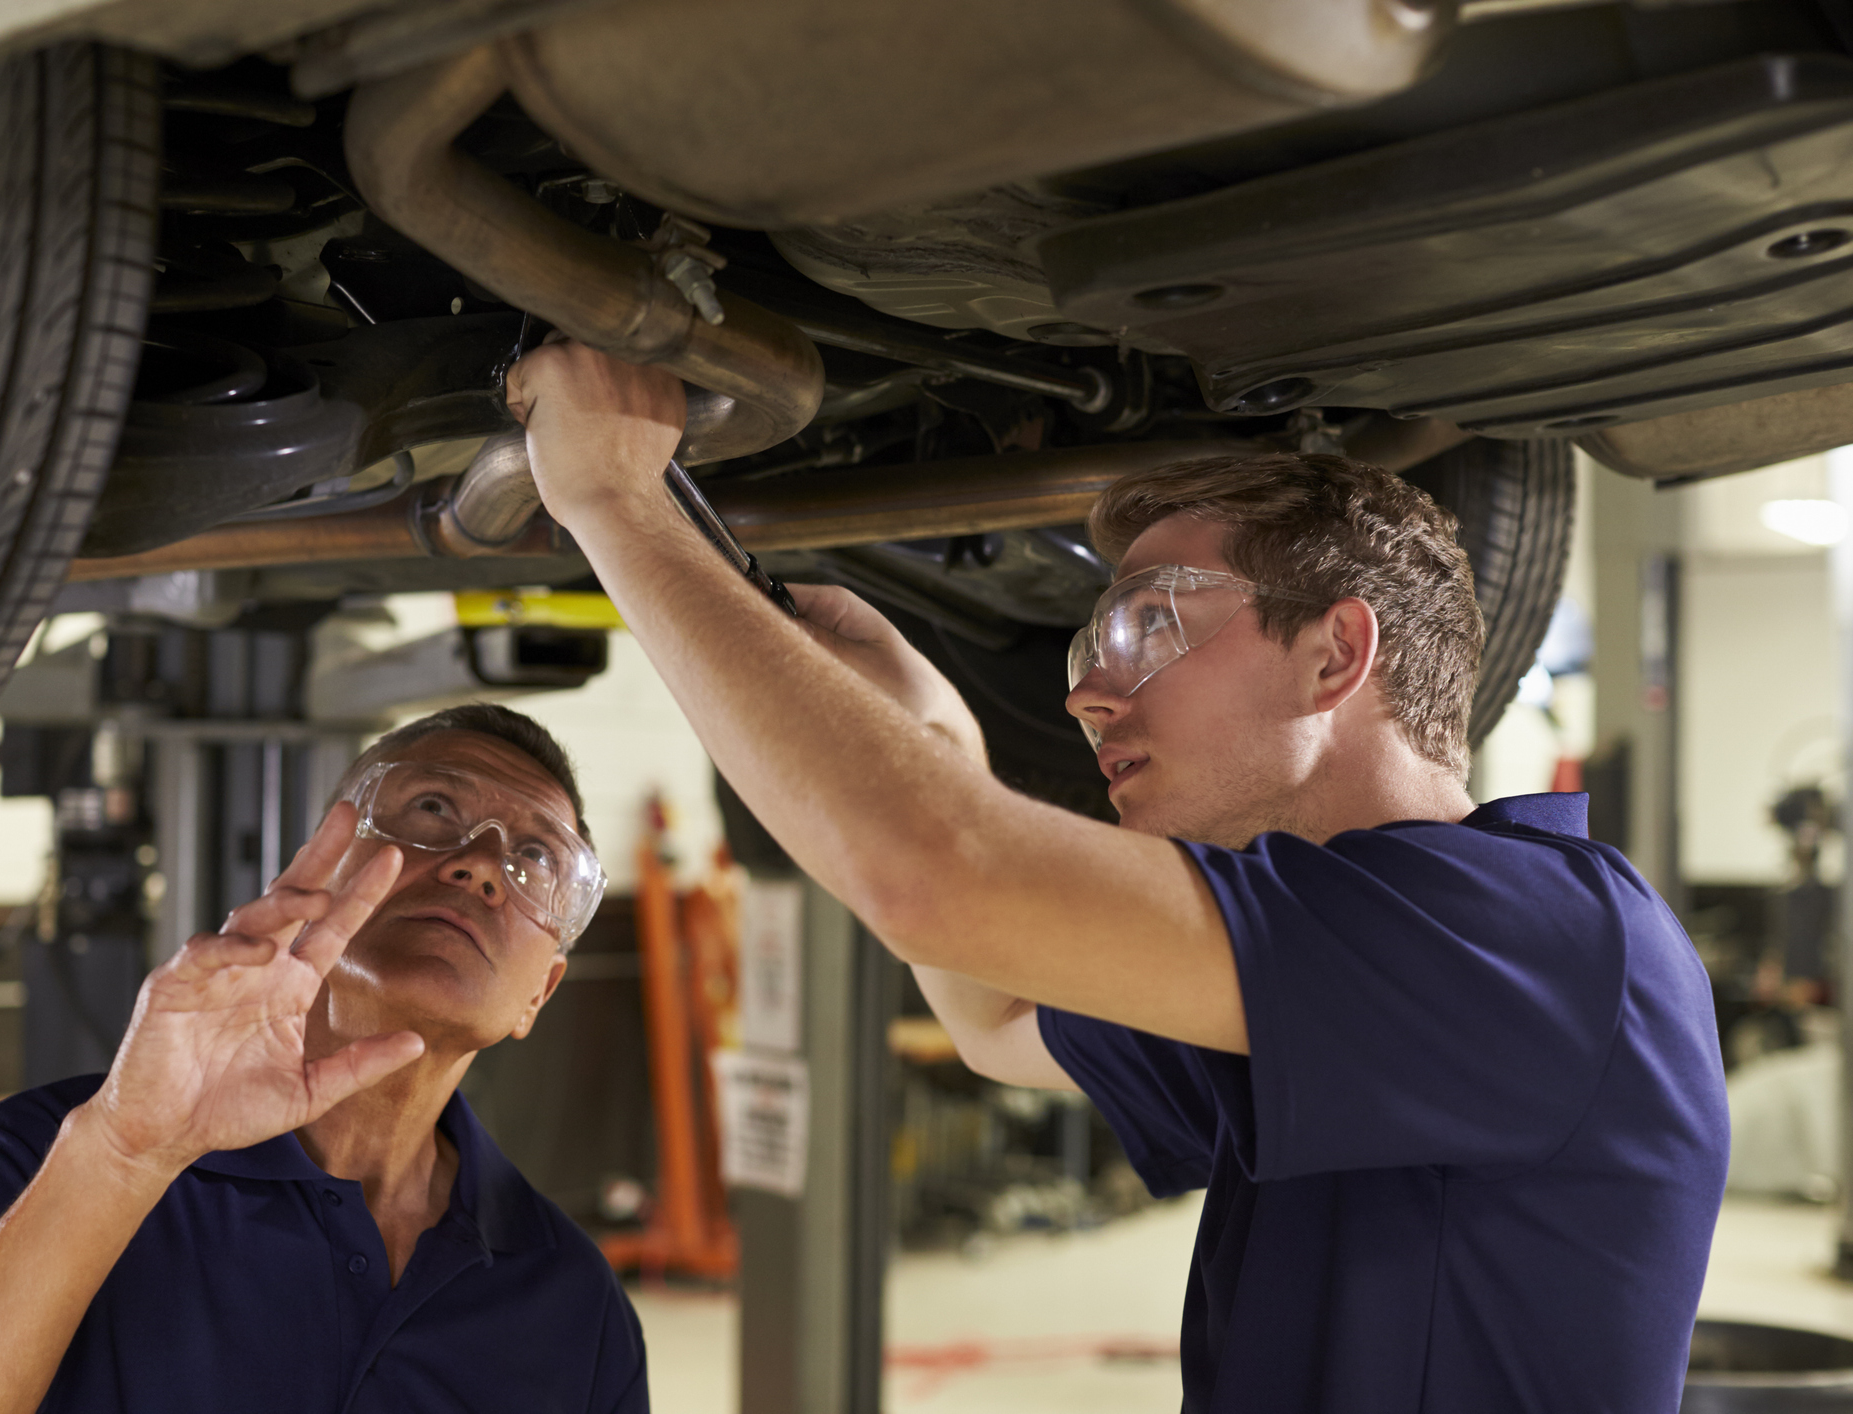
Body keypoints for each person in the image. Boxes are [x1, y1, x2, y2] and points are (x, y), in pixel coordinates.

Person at [504, 342, 1728, 1413]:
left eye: (1148, 624)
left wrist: (617, 498)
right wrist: (929, 735)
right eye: (1094, 642)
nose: (1087, 689)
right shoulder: (1339, 967)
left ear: (1332, 655)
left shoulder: (1536, 934)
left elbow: (945, 880)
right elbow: (999, 1014)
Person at [0, 705, 647, 1414]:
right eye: (431, 809)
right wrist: (125, 1153)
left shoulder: (573, 1300)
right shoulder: (49, 1155)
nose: (480, 865)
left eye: (536, 857)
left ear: (541, 993)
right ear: (315, 866)